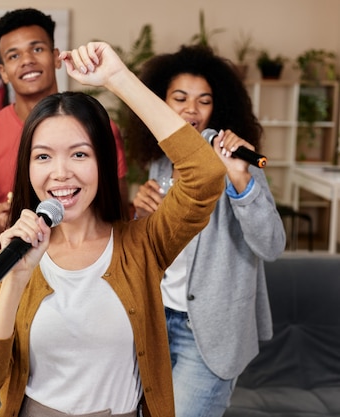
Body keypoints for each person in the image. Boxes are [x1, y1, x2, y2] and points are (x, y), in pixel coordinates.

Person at [0, 41, 227, 417]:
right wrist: (16, 280)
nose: (60, 172)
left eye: (79, 153)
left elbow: (206, 175)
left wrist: (118, 79)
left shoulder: (142, 245)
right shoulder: (16, 253)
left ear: (103, 162)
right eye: (43, 156)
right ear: (27, 167)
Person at [129, 45, 286, 417]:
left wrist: (241, 183)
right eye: (179, 98)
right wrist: (141, 215)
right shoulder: (159, 164)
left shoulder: (239, 165)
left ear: (218, 109)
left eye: (204, 101)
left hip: (211, 332)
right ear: (160, 104)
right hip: (157, 320)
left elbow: (273, 245)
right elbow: (158, 247)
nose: (190, 109)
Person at [0, 8, 129, 249]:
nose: (27, 60)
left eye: (37, 49)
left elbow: (119, 211)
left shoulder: (99, 127)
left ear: (56, 57)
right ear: (3, 72)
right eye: (13, 56)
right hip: (17, 271)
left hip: (91, 263)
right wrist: (1, 224)